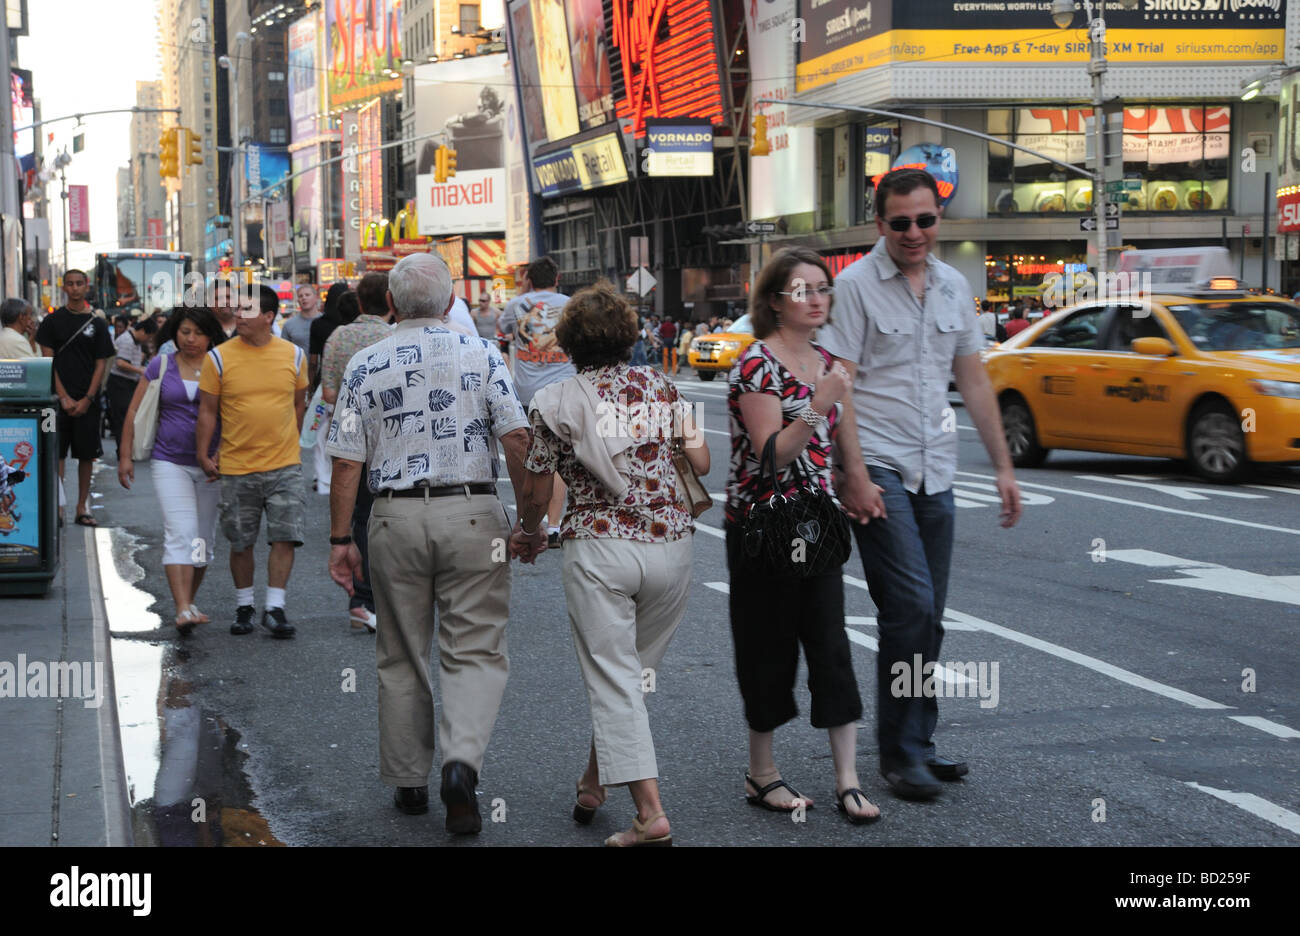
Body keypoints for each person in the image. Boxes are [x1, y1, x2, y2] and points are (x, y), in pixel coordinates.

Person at [821, 168, 1022, 801]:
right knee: (908, 606)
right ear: (880, 224)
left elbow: (975, 380)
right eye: (901, 221)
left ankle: (919, 745)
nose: (914, 232)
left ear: (939, 219)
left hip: (937, 467)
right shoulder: (854, 288)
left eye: (925, 219)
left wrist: (1003, 465)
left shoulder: (954, 286)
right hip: (877, 463)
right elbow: (839, 387)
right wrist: (851, 472)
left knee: (928, 616)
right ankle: (901, 753)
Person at [325, 253, 531, 836]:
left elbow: (346, 461)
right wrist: (528, 521)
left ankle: (409, 780)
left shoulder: (366, 363)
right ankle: (461, 765)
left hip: (392, 519)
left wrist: (342, 538)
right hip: (473, 515)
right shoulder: (483, 353)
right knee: (475, 647)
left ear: (390, 305)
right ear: (448, 303)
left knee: (400, 650)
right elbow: (516, 440)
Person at [514, 282, 709, 847]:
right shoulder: (662, 386)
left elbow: (536, 488)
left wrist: (529, 533)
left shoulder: (554, 401)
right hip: (672, 545)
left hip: (600, 547)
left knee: (613, 679)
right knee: (632, 677)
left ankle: (650, 814)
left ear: (569, 342)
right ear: (629, 335)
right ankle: (594, 784)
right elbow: (700, 458)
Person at [724, 247, 879, 825]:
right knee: (767, 647)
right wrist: (817, 404)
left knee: (831, 645)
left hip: (818, 525)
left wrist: (859, 484)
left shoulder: (833, 364)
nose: (816, 299)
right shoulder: (755, 366)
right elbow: (772, 456)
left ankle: (848, 779)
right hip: (762, 528)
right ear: (774, 301)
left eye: (822, 289)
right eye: (802, 290)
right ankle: (761, 774)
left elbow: (847, 445)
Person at [196, 283, 309, 639]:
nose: (237, 314)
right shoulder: (218, 357)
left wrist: (290, 440)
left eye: (247, 309)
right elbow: (208, 412)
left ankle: (274, 607)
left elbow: (298, 404)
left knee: (285, 537)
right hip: (236, 466)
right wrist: (203, 452)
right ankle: (244, 605)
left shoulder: (293, 356)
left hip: (284, 465)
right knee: (240, 542)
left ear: (268, 317)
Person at [118, 308, 226, 633]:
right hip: (169, 461)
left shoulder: (222, 365)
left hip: (213, 465)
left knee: (203, 541)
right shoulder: (160, 364)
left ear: (210, 335)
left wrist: (221, 454)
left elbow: (236, 414)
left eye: (197, 333)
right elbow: (134, 410)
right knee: (180, 531)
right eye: (184, 332)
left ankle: (189, 601)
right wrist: (125, 456)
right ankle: (181, 608)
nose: (190, 339)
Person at [319, 272, 392, 634]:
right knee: (387, 514)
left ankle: (361, 599)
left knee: (359, 516)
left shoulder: (339, 336)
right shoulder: (395, 338)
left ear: (359, 302)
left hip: (348, 435)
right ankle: (384, 598)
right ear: (391, 301)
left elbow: (328, 394)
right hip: (391, 440)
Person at [498, 256, 576, 546]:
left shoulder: (517, 305)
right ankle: (554, 526)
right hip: (565, 390)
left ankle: (532, 520)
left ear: (528, 280)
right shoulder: (570, 304)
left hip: (529, 393)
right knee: (560, 459)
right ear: (557, 278)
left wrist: (525, 297)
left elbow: (504, 327)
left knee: (536, 458)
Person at [36, 269, 116, 527]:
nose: (75, 288)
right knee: (56, 454)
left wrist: (88, 398)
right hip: (56, 401)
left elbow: (101, 363)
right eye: (69, 284)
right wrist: (63, 397)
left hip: (87, 401)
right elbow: (48, 361)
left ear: (86, 286)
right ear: (64, 287)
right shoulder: (52, 322)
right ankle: (59, 507)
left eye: (79, 283)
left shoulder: (98, 323)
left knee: (86, 455)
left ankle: (82, 507)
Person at [308, 289, 359, 496]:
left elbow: (317, 365)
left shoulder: (332, 333)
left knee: (331, 441)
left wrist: (314, 392)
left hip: (339, 402)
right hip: (367, 405)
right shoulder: (383, 332)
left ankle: (327, 482)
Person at [106, 316, 158, 457]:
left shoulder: (135, 342)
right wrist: (140, 370)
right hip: (119, 383)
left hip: (128, 383)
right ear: (142, 331)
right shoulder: (127, 341)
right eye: (148, 336)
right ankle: (123, 452)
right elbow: (121, 363)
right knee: (123, 418)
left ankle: (127, 450)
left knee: (127, 417)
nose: (147, 340)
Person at [282, 281, 326, 355]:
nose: (304, 298)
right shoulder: (289, 324)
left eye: (307, 295)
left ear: (316, 297)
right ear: (298, 300)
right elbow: (284, 351)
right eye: (300, 296)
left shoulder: (325, 322)